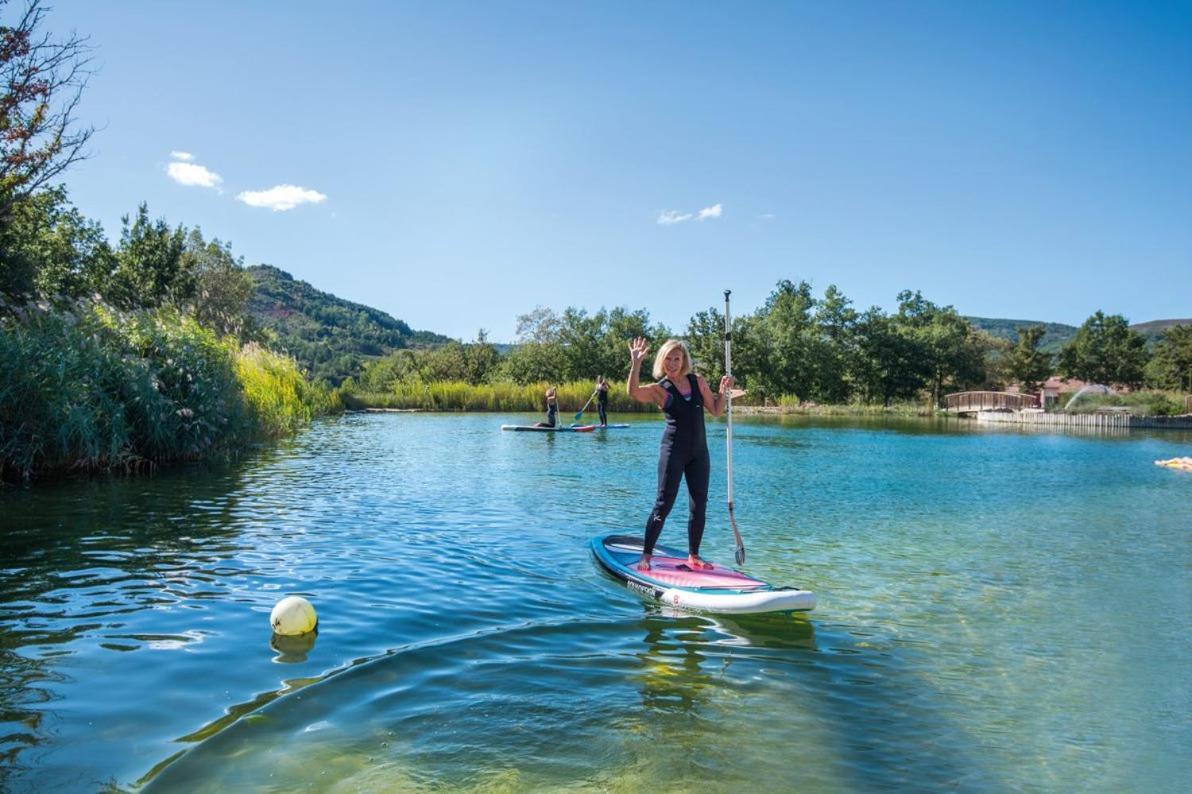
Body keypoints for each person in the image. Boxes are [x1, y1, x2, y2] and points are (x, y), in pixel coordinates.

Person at [627, 337, 732, 571]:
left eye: (677, 358)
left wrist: (723, 392)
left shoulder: (697, 382)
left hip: (699, 453)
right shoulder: (660, 390)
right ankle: (646, 555)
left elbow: (715, 410)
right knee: (663, 504)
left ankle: (694, 555)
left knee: (699, 505)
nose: (673, 363)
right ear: (662, 361)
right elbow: (633, 392)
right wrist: (636, 364)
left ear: (684, 360)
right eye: (668, 359)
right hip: (673, 452)